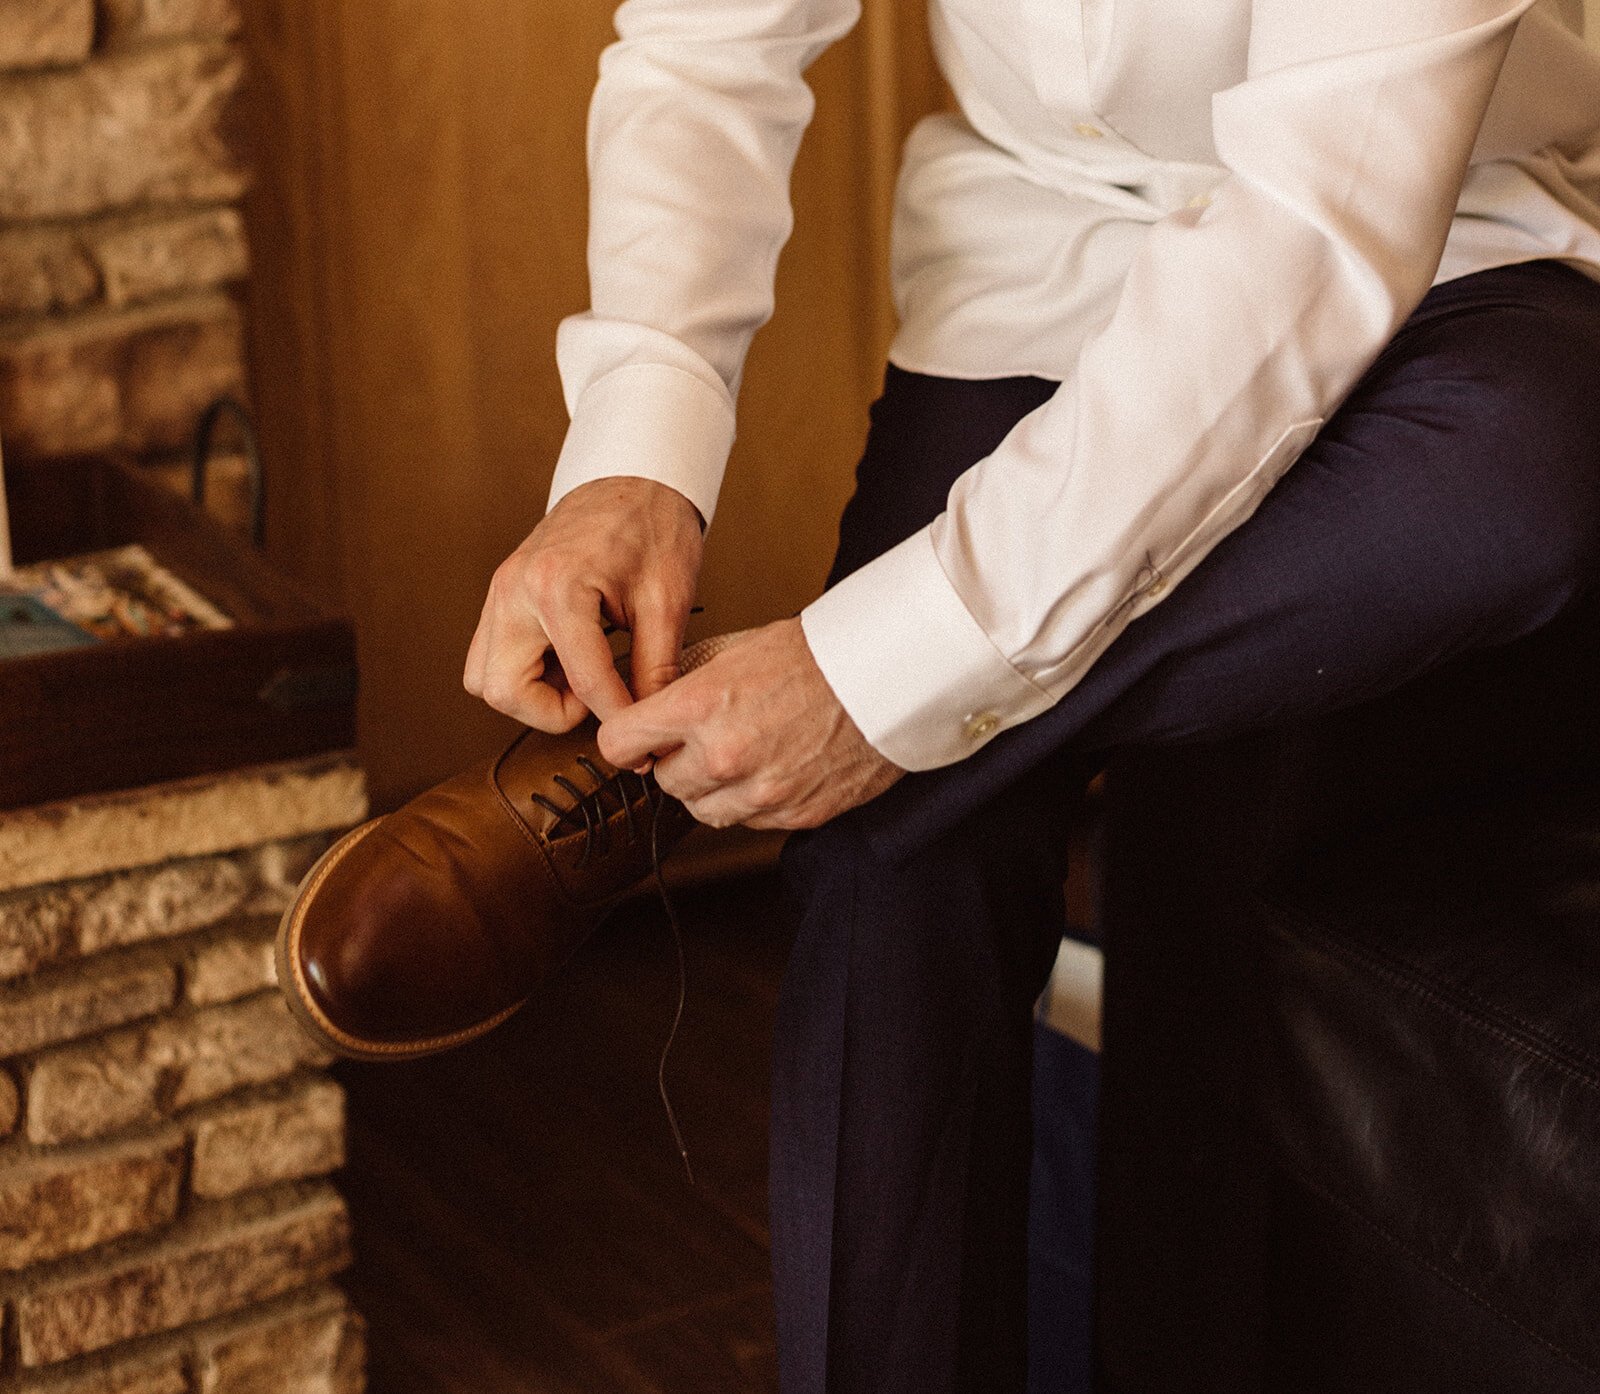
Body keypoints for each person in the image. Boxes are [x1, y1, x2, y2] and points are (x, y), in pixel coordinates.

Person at [462, 1, 1600, 1390]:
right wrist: (634, 446)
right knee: (895, 872)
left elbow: (1315, 229)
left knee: (1518, 486)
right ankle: (790, 735)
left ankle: (696, 755)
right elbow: (709, 47)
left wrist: (873, 683)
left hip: (1451, 246)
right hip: (1041, 254)